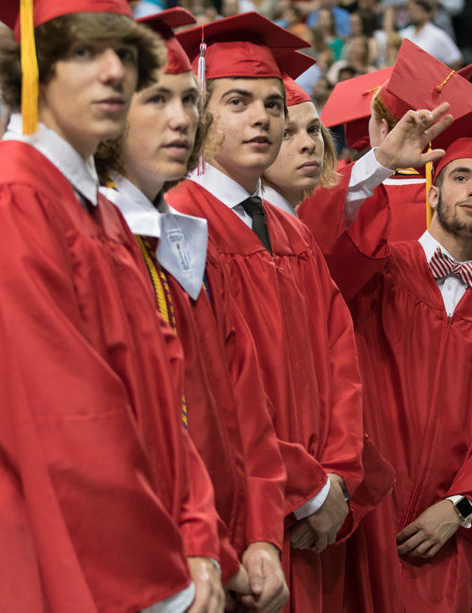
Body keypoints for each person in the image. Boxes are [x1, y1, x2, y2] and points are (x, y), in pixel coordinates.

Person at [0, 1, 234, 611]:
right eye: (85, 53)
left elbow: (163, 394)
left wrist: (198, 538)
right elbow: (63, 417)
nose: (114, 72)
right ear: (32, 67)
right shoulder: (8, 201)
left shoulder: (101, 214)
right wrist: (163, 578)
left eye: (124, 54)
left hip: (125, 554)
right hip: (35, 565)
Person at [301, 105, 472, 613]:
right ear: (433, 193)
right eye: (461, 176)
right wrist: (377, 161)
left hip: (445, 535)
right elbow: (314, 246)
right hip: (366, 513)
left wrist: (460, 508)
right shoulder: (376, 273)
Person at [170, 14, 372, 612]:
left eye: (271, 104)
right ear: (200, 111)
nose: (262, 117)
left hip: (320, 515)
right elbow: (216, 395)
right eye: (236, 101)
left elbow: (341, 359)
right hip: (238, 517)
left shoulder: (292, 230)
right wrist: (306, 490)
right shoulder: (180, 227)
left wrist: (338, 478)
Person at [96, 9, 294, 612]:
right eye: (156, 99)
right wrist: (207, 547)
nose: (184, 119)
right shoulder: (93, 245)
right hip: (147, 567)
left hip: (221, 559)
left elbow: (245, 403)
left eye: (189, 99)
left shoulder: (185, 241)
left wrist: (261, 535)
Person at [262, 77, 339, 214]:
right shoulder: (253, 226)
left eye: (313, 129)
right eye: (285, 133)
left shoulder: (294, 215)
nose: (309, 144)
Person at [400, 0, 463, 68]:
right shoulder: (405, 33)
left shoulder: (438, 35)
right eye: (410, 10)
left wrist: (442, 76)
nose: (412, 13)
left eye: (417, 10)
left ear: (428, 13)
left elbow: (457, 60)